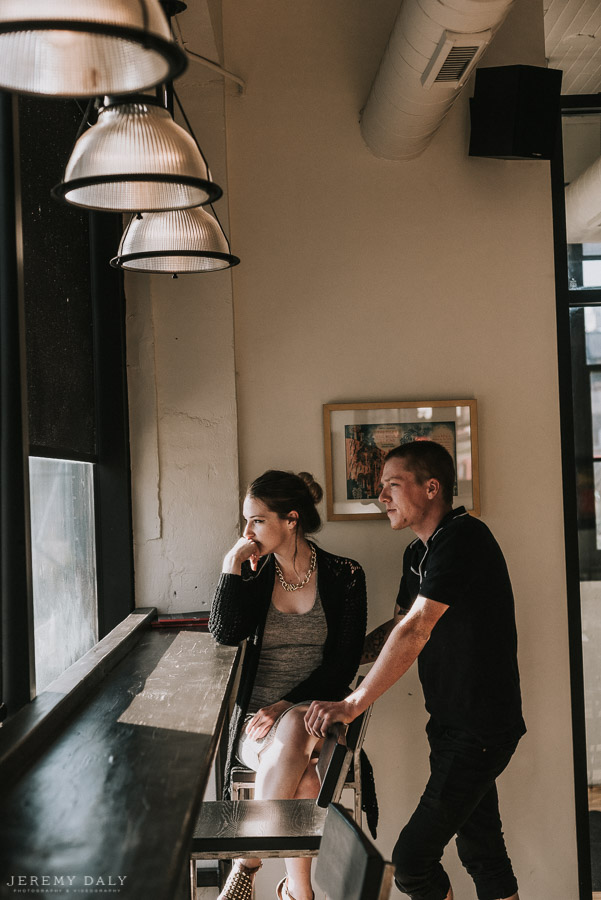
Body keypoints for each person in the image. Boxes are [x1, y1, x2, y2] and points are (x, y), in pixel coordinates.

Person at [305, 440, 525, 900]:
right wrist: (335, 666)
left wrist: (352, 702)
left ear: (431, 487)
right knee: (483, 850)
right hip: (449, 725)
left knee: (411, 862)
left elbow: (416, 630)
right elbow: (397, 627)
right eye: (381, 487)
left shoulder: (464, 537)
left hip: (480, 728)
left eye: (392, 486)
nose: (382, 497)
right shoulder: (416, 553)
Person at [209, 469, 367, 900]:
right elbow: (224, 634)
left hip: (319, 714)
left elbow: (341, 666)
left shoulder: (345, 575)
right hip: (255, 725)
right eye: (246, 521)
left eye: (257, 521)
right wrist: (230, 566)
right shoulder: (255, 578)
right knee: (306, 784)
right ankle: (300, 893)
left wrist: (283, 705)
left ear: (291, 519)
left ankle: (247, 862)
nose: (247, 532)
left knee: (297, 723)